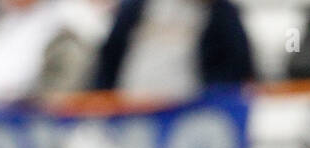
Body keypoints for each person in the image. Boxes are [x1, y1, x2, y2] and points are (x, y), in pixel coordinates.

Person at [91, 0, 253, 98]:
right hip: (132, 113)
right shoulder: (136, 8)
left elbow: (238, 68)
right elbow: (109, 59)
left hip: (190, 117)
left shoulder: (222, 15)